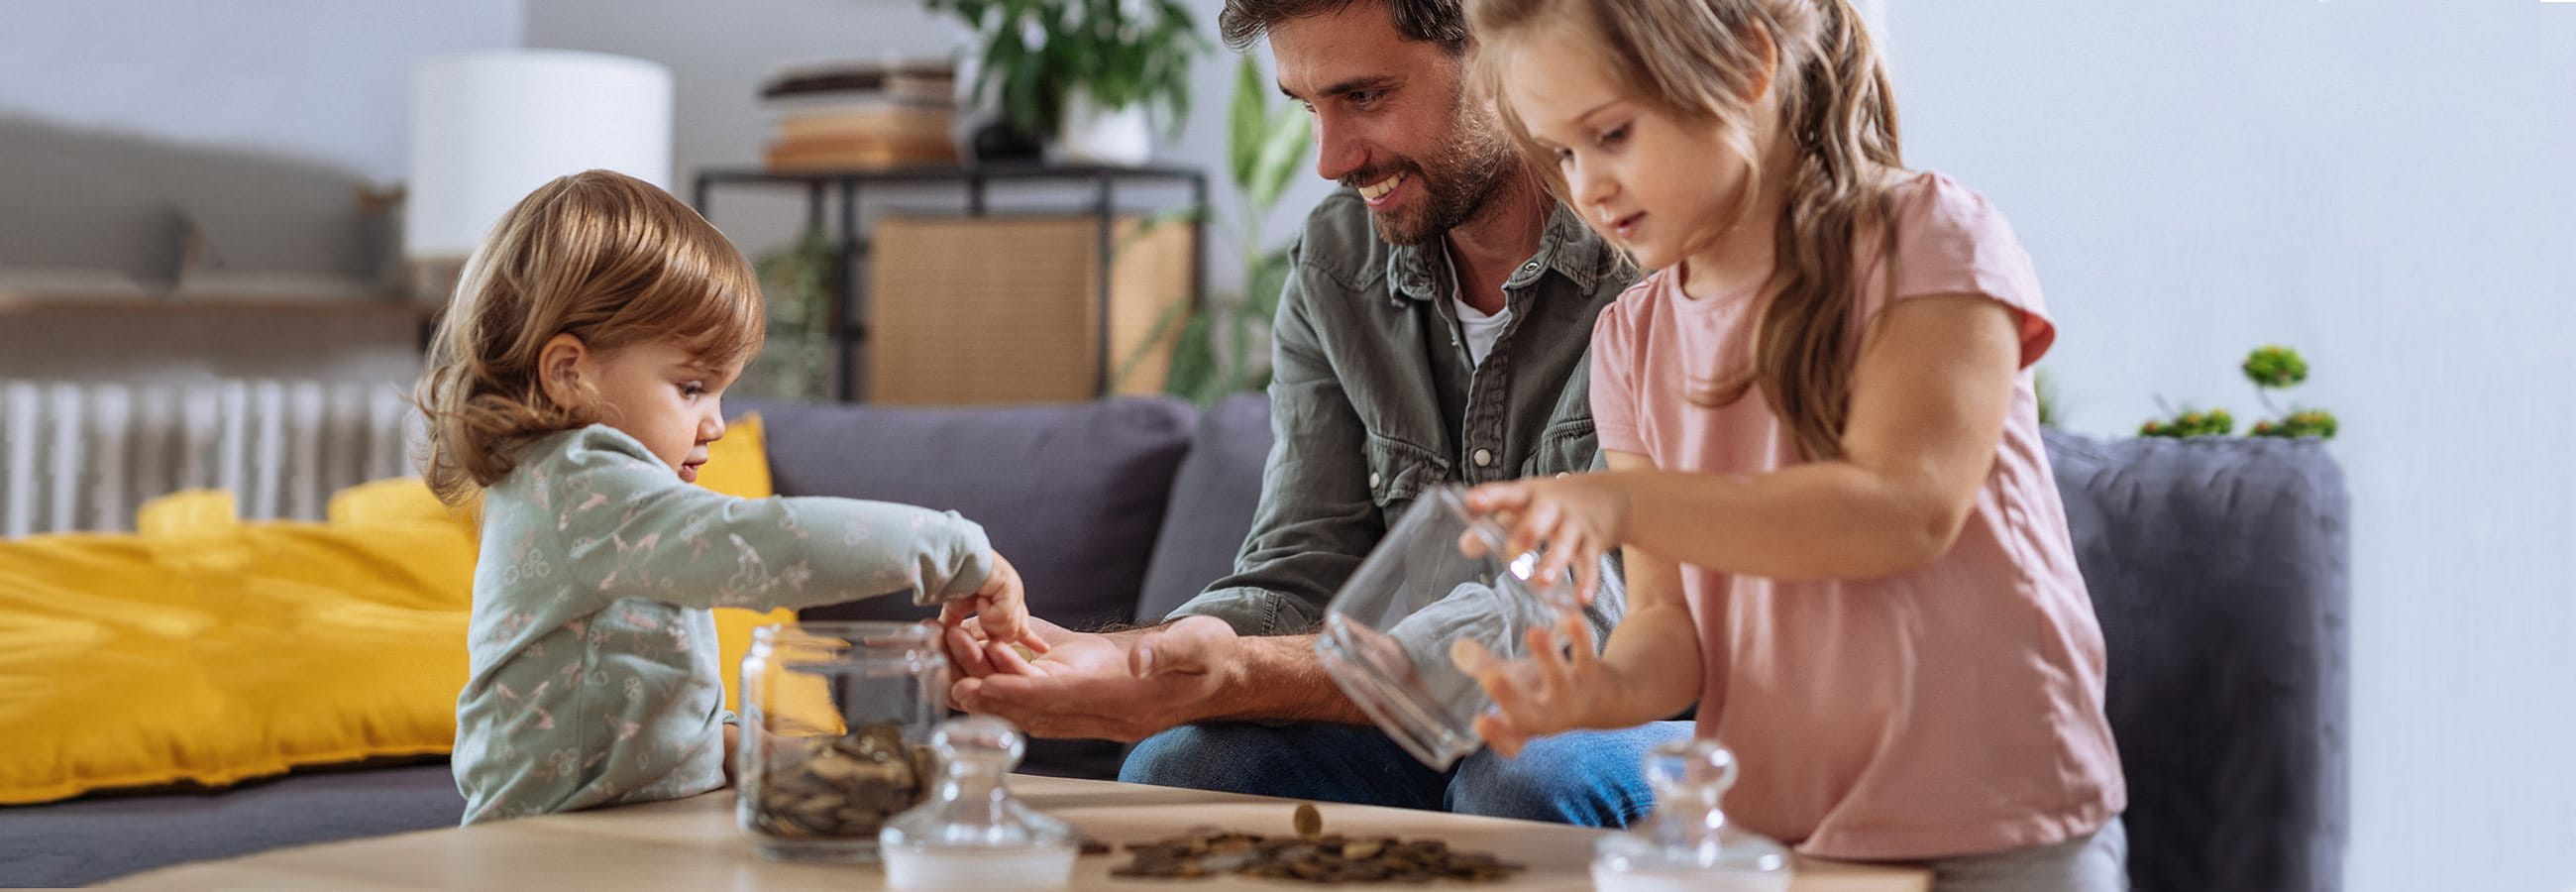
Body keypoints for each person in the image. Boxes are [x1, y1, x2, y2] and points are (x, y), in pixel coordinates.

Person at [945, 0, 1686, 827]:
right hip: (1418, 719)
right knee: (1187, 765)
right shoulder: (1338, 264)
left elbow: (1591, 621)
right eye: (1308, 106)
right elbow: (1302, 567)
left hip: (1643, 708)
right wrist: (1124, 658)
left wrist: (1246, 677)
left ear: (1498, 51)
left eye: (1364, 97)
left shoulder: (1657, 259)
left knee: (1527, 775)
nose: (1332, 158)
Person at [1447, 0, 2128, 886]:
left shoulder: (1927, 241)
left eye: (1612, 133)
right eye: (1563, 154)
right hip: (1788, 835)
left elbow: (1901, 512)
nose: (1588, 188)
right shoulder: (1631, 342)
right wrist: (1600, 695)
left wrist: (1623, 504)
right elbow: (1667, 620)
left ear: (1743, 65)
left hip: (2000, 821)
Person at [415, 169, 1040, 824]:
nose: (715, 423)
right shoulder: (580, 485)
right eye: (691, 387)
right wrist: (956, 550)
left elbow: (634, 682)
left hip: (631, 832)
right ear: (570, 372)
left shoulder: (606, 504)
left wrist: (743, 746)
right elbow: (768, 544)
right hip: (544, 854)